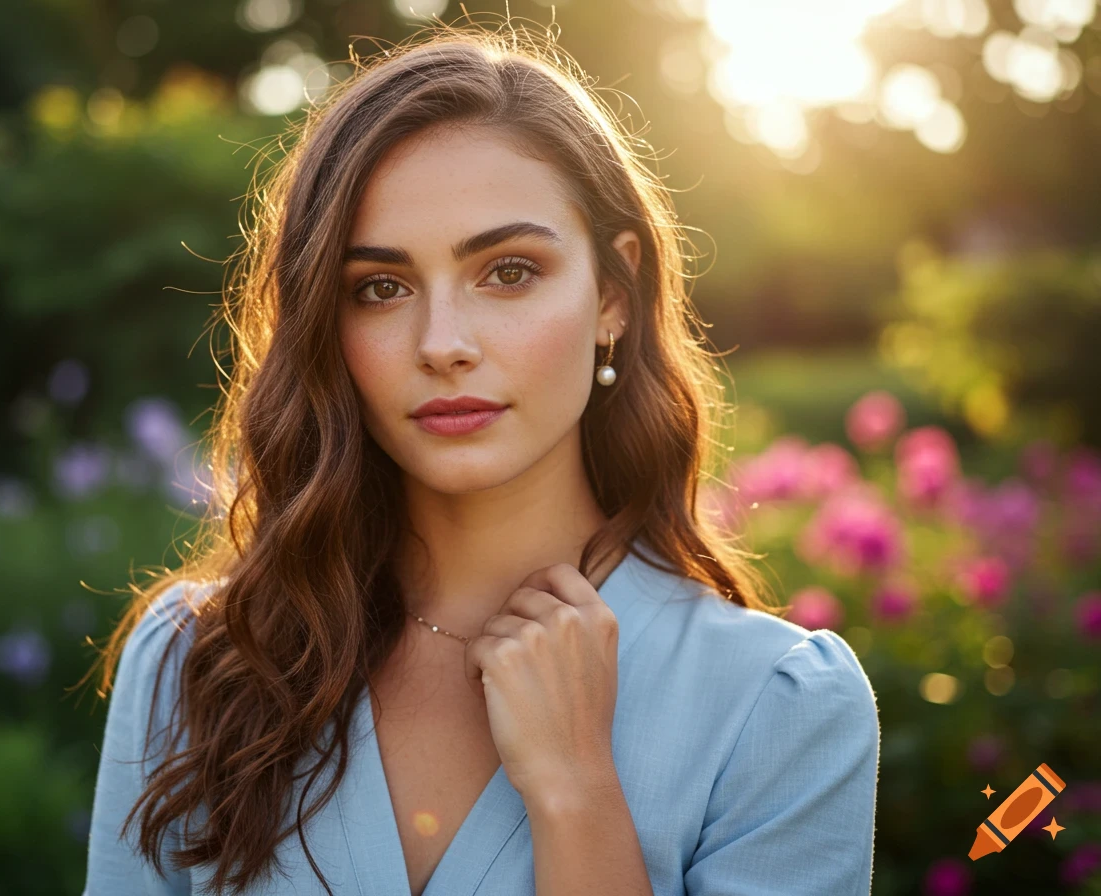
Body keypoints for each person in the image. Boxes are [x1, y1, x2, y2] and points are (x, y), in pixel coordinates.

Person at [81, 19, 880, 896]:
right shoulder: (200, 665)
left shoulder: (774, 707)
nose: (443, 344)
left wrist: (577, 791)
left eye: (508, 272)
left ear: (613, 294)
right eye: (380, 288)